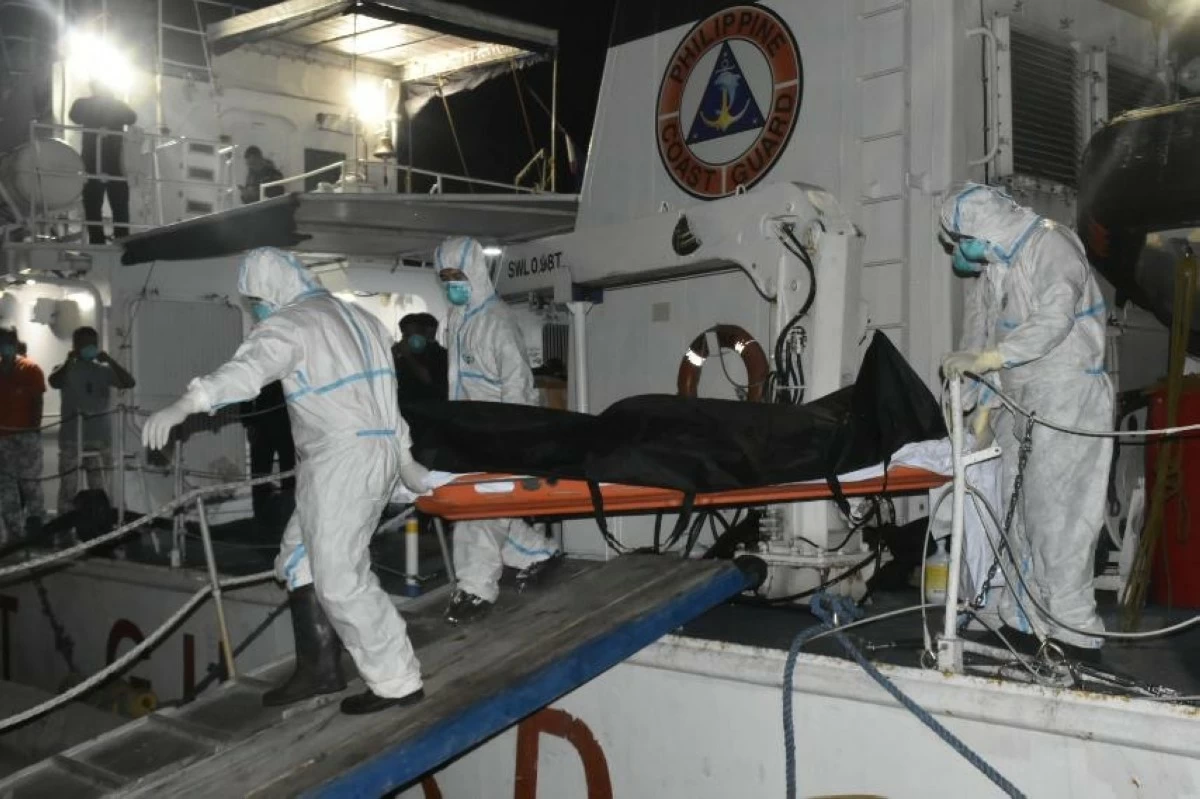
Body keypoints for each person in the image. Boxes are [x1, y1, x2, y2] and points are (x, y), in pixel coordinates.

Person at [142, 247, 427, 715]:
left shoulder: (293, 322)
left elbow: (248, 371)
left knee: (339, 579)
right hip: (369, 455)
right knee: (300, 558)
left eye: (254, 300)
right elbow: (386, 399)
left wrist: (186, 404)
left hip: (340, 461)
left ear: (269, 291)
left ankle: (396, 680)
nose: (255, 309)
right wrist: (406, 459)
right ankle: (319, 669)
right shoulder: (360, 318)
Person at [939, 183, 1113, 659]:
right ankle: (1025, 621)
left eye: (962, 238)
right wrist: (985, 407)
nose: (962, 249)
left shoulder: (1051, 247)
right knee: (1016, 517)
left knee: (1058, 519)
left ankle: (1075, 634)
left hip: (1067, 398)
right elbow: (994, 336)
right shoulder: (998, 267)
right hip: (1022, 400)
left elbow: (1052, 322)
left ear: (984, 227)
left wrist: (993, 357)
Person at [436, 236, 562, 625]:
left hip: (499, 432)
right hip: (469, 432)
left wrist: (514, 438)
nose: (452, 283)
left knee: (480, 511)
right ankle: (540, 552)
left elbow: (518, 383)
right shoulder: (457, 320)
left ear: (474, 273)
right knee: (481, 510)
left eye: (457, 276)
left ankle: (476, 589)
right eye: (445, 277)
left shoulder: (497, 323)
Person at [49, 327, 136, 513]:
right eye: (85, 343)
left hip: (99, 439)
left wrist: (110, 361)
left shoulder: (103, 371)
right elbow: (54, 381)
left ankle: (98, 529)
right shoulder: (65, 369)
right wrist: (68, 360)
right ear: (75, 345)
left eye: (93, 343)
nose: (90, 347)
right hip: (72, 439)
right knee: (69, 488)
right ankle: (65, 533)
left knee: (100, 487)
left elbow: (129, 382)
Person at [69, 80, 136, 244]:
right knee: (119, 203)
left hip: (92, 160)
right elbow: (131, 117)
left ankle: (97, 239)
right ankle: (122, 239)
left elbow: (74, 116)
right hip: (114, 162)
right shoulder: (118, 106)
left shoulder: (83, 104)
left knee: (93, 203)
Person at [0, 328, 46, 540]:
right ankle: (14, 533)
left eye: (7, 342)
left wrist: (34, 432)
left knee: (30, 484)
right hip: (2, 438)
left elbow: (37, 402)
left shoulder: (30, 369)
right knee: (6, 487)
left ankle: (36, 528)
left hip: (26, 436)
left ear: (14, 343)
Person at [239, 380, 296, 523]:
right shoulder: (257, 361)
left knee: (290, 474)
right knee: (260, 474)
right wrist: (249, 422)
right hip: (261, 424)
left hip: (286, 424)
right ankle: (261, 519)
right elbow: (246, 389)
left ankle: (290, 517)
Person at [394, 312, 448, 403]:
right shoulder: (402, 354)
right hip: (406, 407)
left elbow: (428, 379)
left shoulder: (439, 354)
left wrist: (408, 356)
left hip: (430, 408)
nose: (407, 339)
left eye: (410, 335)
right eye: (405, 335)